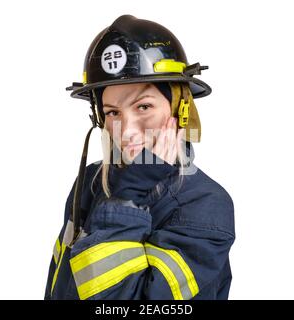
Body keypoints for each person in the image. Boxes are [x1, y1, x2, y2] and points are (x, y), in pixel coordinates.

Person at [44, 14, 235, 300]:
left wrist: (127, 198)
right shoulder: (91, 182)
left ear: (180, 109)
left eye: (143, 106)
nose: (127, 130)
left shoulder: (205, 205)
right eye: (112, 112)